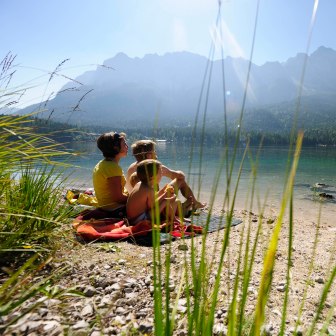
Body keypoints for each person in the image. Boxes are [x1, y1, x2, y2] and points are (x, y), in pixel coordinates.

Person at [125, 140, 205, 214]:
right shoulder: (154, 168)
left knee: (167, 192)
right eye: (154, 151)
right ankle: (193, 204)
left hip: (139, 206)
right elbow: (180, 176)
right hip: (149, 208)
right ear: (149, 155)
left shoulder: (132, 167)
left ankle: (185, 206)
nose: (156, 154)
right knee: (180, 180)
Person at [126, 159, 181, 225]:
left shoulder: (140, 184)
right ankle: (173, 219)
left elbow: (152, 199)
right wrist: (165, 195)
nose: (162, 174)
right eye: (160, 172)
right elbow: (152, 206)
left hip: (132, 218)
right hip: (139, 220)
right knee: (165, 201)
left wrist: (162, 191)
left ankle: (172, 219)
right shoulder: (149, 189)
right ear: (152, 176)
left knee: (165, 200)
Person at [92, 132, 129, 217]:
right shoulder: (112, 168)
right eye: (124, 144)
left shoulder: (103, 163)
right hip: (114, 209)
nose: (127, 146)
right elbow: (118, 198)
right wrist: (137, 199)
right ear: (116, 148)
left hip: (105, 206)